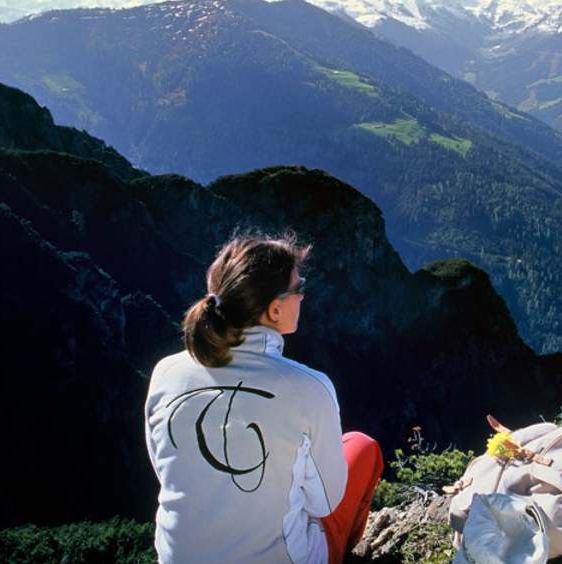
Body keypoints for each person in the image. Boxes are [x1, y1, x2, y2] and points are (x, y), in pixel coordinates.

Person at [145, 234, 383, 563]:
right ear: (274, 309)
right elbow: (324, 503)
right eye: (298, 288)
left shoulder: (166, 372)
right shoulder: (310, 387)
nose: (303, 296)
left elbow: (165, 468)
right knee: (361, 447)